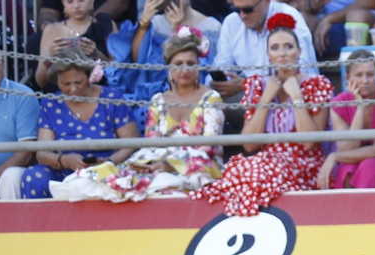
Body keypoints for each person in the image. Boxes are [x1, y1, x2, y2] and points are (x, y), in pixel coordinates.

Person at [54, 30, 226, 201]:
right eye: (178, 63)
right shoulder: (158, 100)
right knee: (116, 176)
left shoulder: (211, 97)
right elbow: (151, 144)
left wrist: (171, 165)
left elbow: (208, 148)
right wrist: (150, 164)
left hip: (199, 166)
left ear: (199, 65)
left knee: (162, 182)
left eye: (190, 63)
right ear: (168, 66)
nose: (184, 69)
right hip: (159, 162)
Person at [196, 13, 331, 214]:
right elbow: (250, 144)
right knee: (239, 168)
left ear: (299, 52)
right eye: (275, 48)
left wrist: (296, 97)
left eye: (288, 46)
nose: (283, 53)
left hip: (304, 166)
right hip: (265, 164)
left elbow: (309, 142)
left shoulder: (317, 84)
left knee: (255, 172)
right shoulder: (258, 86)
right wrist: (265, 100)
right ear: (268, 55)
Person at [19, 55, 139, 200]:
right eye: (66, 84)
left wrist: (109, 161)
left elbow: (131, 143)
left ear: (88, 76)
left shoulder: (111, 97)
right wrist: (63, 160)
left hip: (107, 169)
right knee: (33, 177)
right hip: (65, 170)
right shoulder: (51, 104)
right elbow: (42, 153)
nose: (73, 88)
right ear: (57, 81)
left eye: (78, 82)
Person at [318, 49, 375, 189]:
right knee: (346, 170)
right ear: (347, 77)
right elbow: (346, 148)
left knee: (370, 167)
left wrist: (334, 156)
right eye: (358, 75)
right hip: (353, 159)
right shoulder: (339, 103)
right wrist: (360, 109)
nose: (365, 81)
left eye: (370, 74)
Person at [212, 0, 317, 99]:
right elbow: (222, 65)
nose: (242, 15)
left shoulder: (288, 16)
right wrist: (220, 83)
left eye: (248, 9)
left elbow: (299, 72)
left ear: (267, 1)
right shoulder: (232, 22)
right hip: (250, 96)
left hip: (294, 95)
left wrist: (248, 83)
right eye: (237, 9)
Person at [129, 0, 224, 101]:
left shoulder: (213, 26)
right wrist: (144, 21)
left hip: (200, 95)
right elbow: (137, 60)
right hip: (158, 94)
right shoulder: (155, 23)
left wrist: (178, 30)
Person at [0, 39, 40, 201]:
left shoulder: (23, 96)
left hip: (6, 175)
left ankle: (16, 226)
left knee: (11, 176)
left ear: (2, 63)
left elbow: (26, 151)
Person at [30, 0, 113, 91]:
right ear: (63, 3)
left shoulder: (106, 24)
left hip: (99, 93)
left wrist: (97, 55)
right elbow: (40, 81)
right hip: (62, 95)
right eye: (70, 2)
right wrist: (49, 57)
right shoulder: (52, 30)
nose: (76, 6)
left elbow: (120, 72)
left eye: (81, 1)